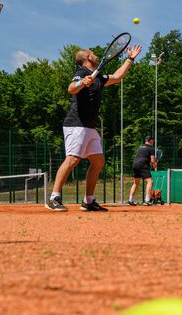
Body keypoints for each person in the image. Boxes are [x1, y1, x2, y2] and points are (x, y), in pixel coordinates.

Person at [46, 42, 143, 211]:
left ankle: (88, 201)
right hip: (77, 124)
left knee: (98, 161)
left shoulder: (98, 76)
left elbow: (117, 77)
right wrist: (82, 83)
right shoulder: (81, 73)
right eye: (92, 52)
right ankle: (54, 198)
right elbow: (71, 88)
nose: (96, 54)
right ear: (88, 57)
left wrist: (130, 59)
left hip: (90, 127)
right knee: (72, 159)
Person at [128, 136, 158, 206]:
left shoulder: (140, 147)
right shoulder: (151, 148)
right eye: (152, 140)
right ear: (150, 141)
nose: (153, 142)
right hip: (142, 165)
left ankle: (130, 200)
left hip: (135, 164)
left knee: (136, 183)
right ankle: (147, 200)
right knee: (150, 181)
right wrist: (154, 165)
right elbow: (152, 160)